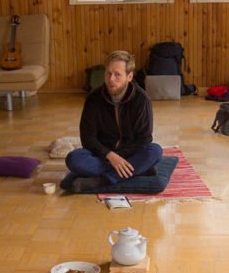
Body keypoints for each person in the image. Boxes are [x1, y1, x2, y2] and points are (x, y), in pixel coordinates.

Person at [66, 50, 163, 192]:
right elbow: (87, 138)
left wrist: (120, 157)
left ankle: (102, 180)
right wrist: (110, 156)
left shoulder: (141, 100)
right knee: (74, 159)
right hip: (103, 154)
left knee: (155, 151)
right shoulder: (93, 98)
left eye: (117, 75)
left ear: (129, 76)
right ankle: (137, 170)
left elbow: (144, 138)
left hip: (130, 153)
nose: (111, 79)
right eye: (108, 73)